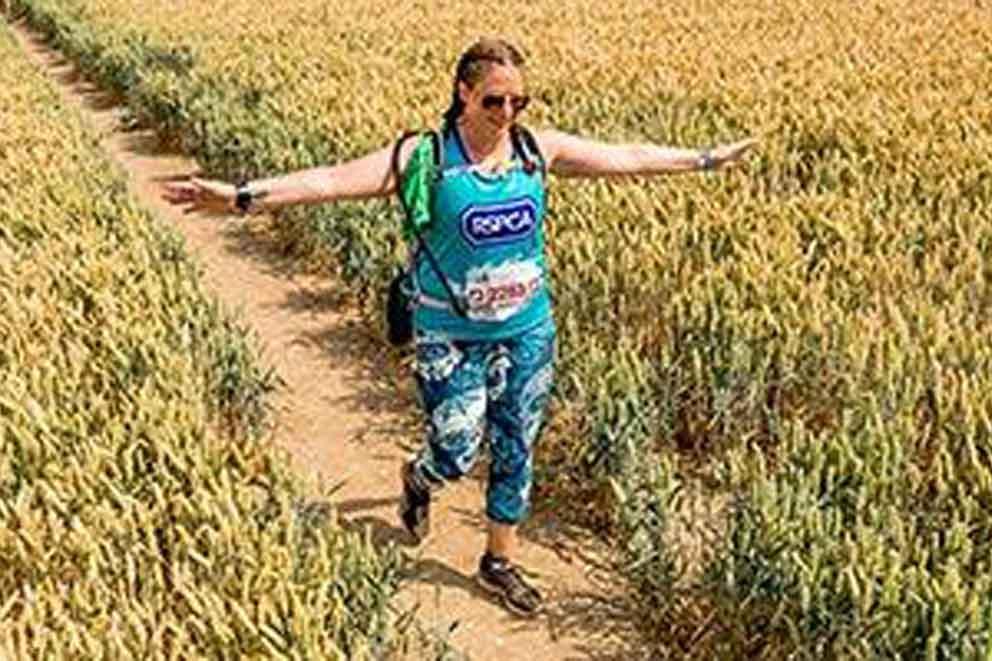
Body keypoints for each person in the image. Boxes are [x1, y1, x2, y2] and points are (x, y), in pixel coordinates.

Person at [163, 36, 755, 617]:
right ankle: (421, 477)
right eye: (494, 101)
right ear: (463, 94)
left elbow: (624, 158)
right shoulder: (424, 158)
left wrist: (702, 159)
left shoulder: (533, 152)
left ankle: (498, 560)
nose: (506, 114)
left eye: (517, 103)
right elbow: (327, 182)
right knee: (456, 446)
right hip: (449, 334)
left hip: (527, 329)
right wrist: (241, 198)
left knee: (516, 443)